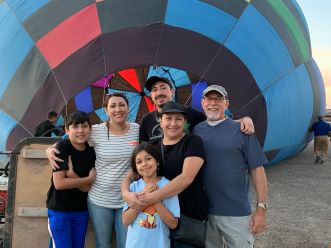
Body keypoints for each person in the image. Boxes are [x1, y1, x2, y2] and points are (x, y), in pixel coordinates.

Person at [47, 93, 140, 248]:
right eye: (113, 105)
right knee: (103, 244)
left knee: (126, 244)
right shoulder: (95, 131)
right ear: (106, 110)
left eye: (122, 105)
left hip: (126, 198)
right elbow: (68, 138)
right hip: (99, 199)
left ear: (128, 108)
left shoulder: (137, 130)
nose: (118, 109)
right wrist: (50, 150)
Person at [122, 101, 207, 248]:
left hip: (187, 217)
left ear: (185, 122)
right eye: (168, 118)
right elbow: (132, 173)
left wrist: (151, 198)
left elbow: (186, 178)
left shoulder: (193, 142)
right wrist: (126, 194)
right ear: (160, 121)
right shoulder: (153, 145)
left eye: (178, 119)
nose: (173, 123)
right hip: (157, 224)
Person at [193, 85, 268, 248]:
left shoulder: (243, 130)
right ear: (202, 103)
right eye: (209, 99)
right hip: (205, 212)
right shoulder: (196, 131)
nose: (213, 103)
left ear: (226, 104)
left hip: (236, 213)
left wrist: (261, 208)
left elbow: (257, 169)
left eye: (218, 99)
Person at [139, 76, 254, 142]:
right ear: (151, 95)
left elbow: (217, 122)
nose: (159, 93)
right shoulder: (146, 120)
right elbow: (143, 149)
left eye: (163, 88)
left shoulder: (190, 113)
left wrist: (243, 120)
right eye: (154, 90)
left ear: (172, 92)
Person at [46, 111, 96, 248]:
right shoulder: (63, 147)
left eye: (85, 126)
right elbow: (60, 183)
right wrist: (88, 179)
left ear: (90, 129)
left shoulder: (91, 152)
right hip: (59, 210)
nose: (80, 130)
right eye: (75, 126)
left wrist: (72, 175)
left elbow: (86, 188)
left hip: (81, 210)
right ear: (67, 130)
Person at [123, 143, 180, 248]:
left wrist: (155, 198)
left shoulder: (168, 186)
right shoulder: (133, 187)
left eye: (148, 158)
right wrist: (145, 195)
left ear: (157, 161)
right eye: (139, 162)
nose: (144, 164)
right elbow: (126, 221)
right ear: (135, 167)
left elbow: (173, 224)